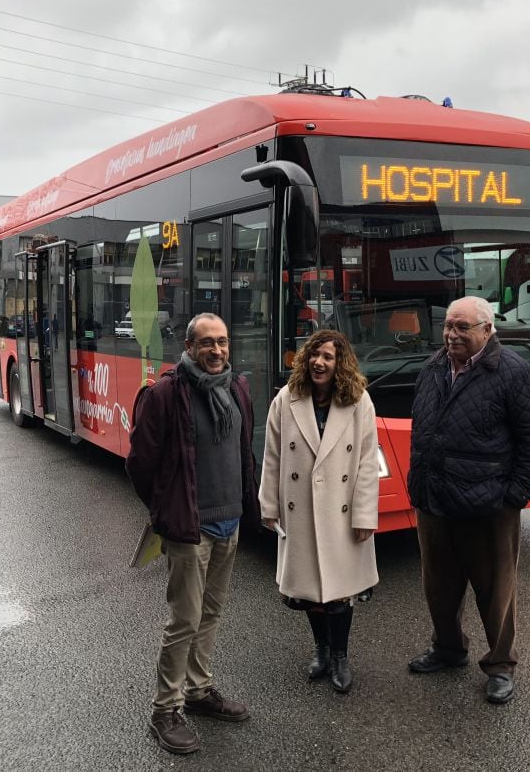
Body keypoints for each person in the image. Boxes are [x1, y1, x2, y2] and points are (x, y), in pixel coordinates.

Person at [126, 312, 260, 755]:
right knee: (183, 620)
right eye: (207, 343)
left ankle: (199, 691)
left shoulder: (237, 389)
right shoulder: (165, 394)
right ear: (188, 347)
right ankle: (164, 709)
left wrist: (248, 504)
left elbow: (243, 453)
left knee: (211, 613)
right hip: (190, 528)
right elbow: (140, 464)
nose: (216, 350)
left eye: (222, 342)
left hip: (229, 522)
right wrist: (167, 511)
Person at [406, 296, 530, 705]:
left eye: (462, 327)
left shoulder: (513, 372)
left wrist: (514, 496)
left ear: (487, 330)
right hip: (434, 500)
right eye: (448, 326)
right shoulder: (433, 366)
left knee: (496, 591)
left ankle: (500, 665)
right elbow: (423, 428)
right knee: (440, 587)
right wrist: (418, 483)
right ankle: (448, 649)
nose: (451, 334)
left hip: (490, 506)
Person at [259, 329, 379, 694]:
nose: (318, 362)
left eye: (327, 356)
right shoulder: (286, 398)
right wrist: (269, 506)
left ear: (340, 363)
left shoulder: (359, 401)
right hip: (302, 513)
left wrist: (363, 515)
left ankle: (341, 657)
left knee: (339, 592)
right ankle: (322, 651)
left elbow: (367, 464)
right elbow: (273, 456)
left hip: (339, 514)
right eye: (313, 354)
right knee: (310, 591)